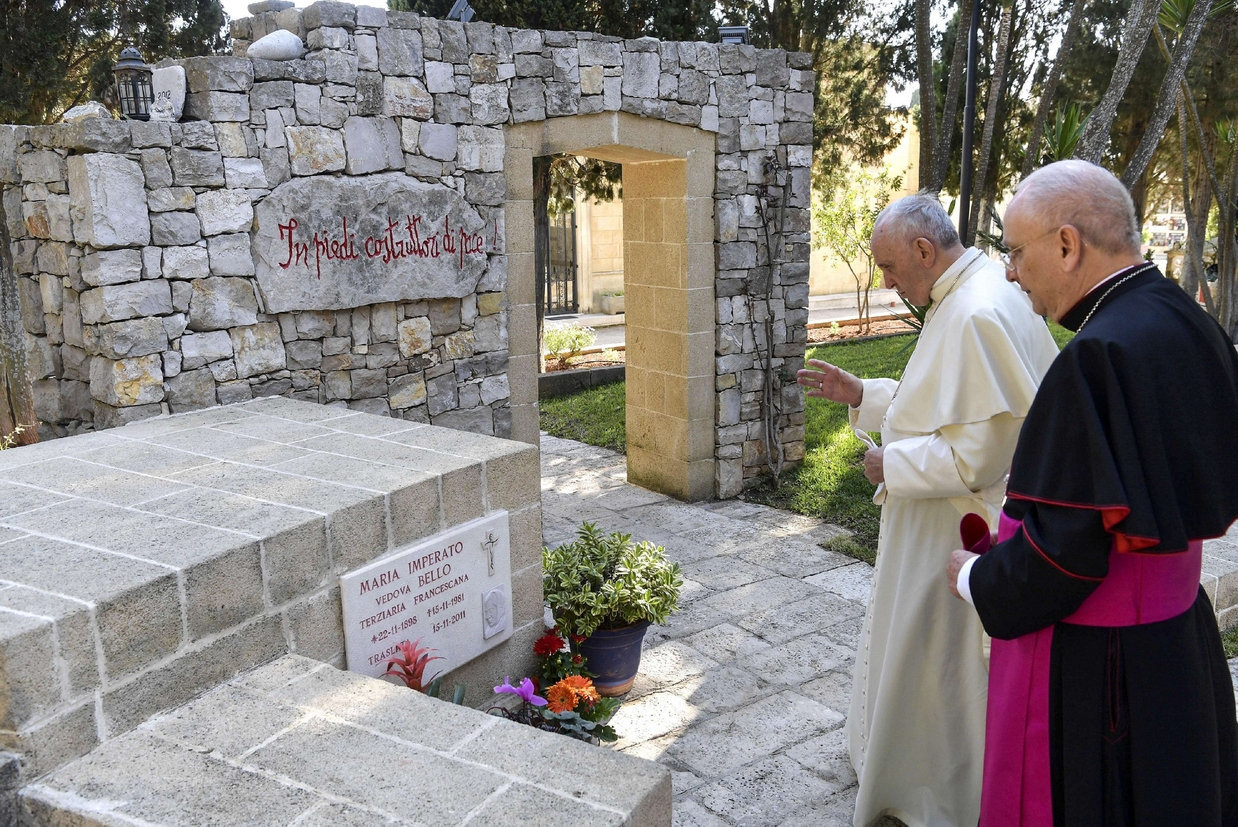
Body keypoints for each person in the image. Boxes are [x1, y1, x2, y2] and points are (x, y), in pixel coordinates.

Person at [947, 159, 1238, 826]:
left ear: (1067, 245)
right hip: (1180, 645)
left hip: (1107, 675)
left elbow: (1064, 558)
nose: (1012, 272)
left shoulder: (1095, 355)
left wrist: (975, 577)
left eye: (1016, 252)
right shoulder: (1189, 318)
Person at [798, 193, 1060, 827]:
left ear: (923, 250)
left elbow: (981, 454)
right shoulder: (973, 289)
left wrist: (893, 465)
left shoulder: (974, 310)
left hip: (952, 527)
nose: (887, 283)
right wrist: (863, 393)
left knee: (936, 664)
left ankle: (933, 793)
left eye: (889, 267)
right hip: (939, 520)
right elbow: (942, 404)